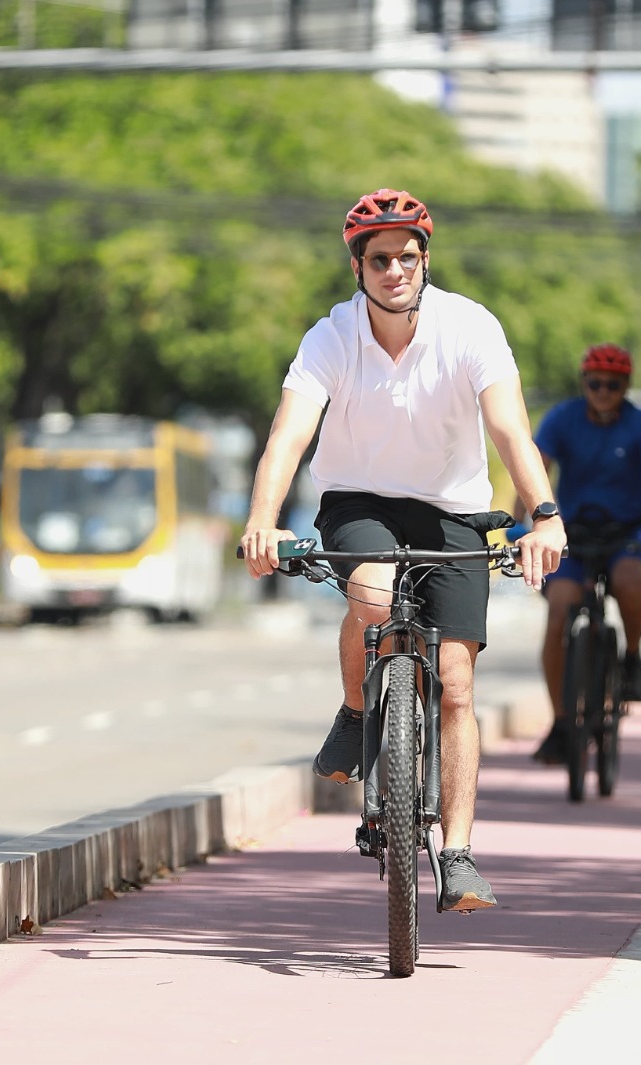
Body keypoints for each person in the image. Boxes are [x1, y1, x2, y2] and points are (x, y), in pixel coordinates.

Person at [239, 188, 567, 912]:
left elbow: (511, 428)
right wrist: (262, 519)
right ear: (358, 266)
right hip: (358, 499)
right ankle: (359, 711)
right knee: (376, 594)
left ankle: (457, 853)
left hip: (454, 507)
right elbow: (289, 435)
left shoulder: (471, 327)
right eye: (380, 259)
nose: (396, 271)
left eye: (408, 257)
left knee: (455, 680)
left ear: (426, 259)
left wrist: (543, 513)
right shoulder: (330, 337)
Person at [525, 343, 641, 765]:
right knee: (559, 610)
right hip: (571, 532)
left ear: (625, 386)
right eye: (595, 383)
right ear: (584, 383)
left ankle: (631, 659)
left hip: (628, 532)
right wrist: (529, 521)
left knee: (630, 583)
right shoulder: (562, 418)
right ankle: (560, 721)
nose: (603, 392)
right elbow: (534, 466)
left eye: (613, 385)